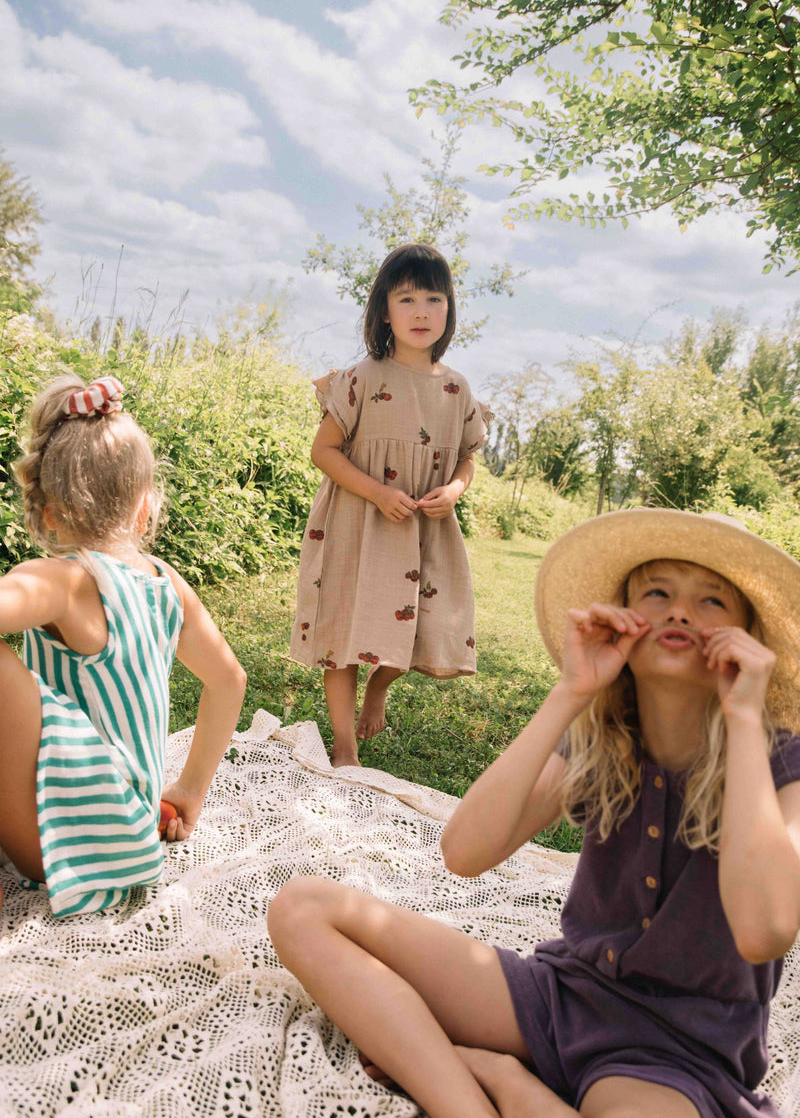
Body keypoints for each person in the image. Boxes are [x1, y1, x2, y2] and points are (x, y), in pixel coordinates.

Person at [269, 509, 800, 1118]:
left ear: (749, 639)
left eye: (713, 601)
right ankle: (465, 1102)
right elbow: (464, 853)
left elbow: (765, 930)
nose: (681, 611)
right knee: (303, 907)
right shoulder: (601, 738)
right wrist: (570, 692)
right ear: (623, 617)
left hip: (672, 1058)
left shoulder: (780, 761)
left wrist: (743, 717)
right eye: (659, 591)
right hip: (558, 999)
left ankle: (503, 1078)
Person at [0, 374, 247, 918]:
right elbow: (230, 680)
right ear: (144, 506)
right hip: (130, 829)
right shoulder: (166, 583)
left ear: (50, 513)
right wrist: (190, 789)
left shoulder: (62, 580)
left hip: (67, 835)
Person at [289, 243, 492, 767]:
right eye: (406, 299)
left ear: (449, 309)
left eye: (433, 298)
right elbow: (323, 450)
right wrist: (377, 492)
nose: (421, 311)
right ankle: (345, 744)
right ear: (384, 311)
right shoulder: (363, 377)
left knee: (426, 622)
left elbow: (468, 457)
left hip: (423, 530)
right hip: (359, 522)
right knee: (345, 629)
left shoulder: (456, 388)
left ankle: (379, 686)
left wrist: (455, 490)